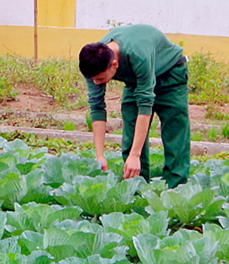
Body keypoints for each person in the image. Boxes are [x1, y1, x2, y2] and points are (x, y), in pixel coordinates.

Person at [79, 24, 191, 187]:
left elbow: (145, 105)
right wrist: (100, 155)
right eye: (93, 79)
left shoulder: (138, 55)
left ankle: (176, 188)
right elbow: (97, 107)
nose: (96, 83)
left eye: (101, 79)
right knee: (131, 133)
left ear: (115, 65)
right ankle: (137, 188)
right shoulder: (93, 62)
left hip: (169, 73)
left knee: (175, 132)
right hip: (135, 80)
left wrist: (135, 155)